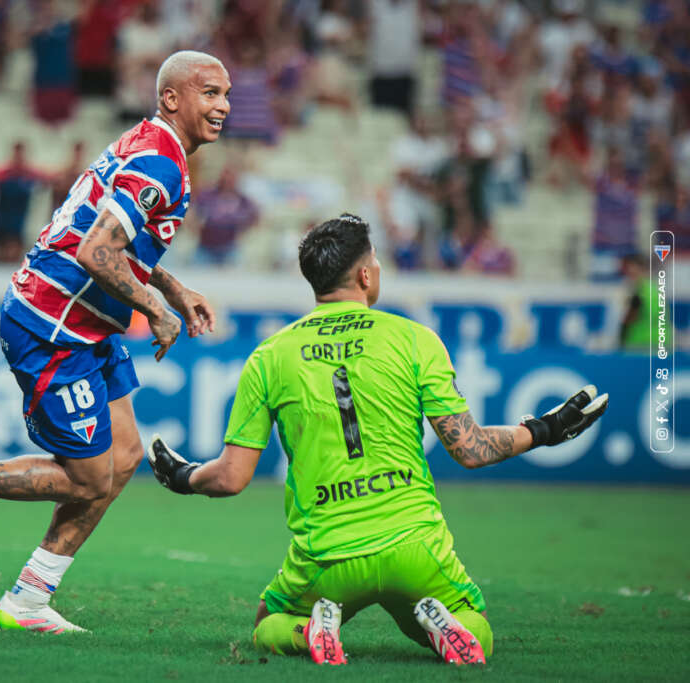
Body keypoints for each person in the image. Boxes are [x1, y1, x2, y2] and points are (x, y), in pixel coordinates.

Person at [0, 51, 231, 633]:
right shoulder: (160, 161)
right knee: (87, 477)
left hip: (86, 324)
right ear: (172, 98)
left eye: (226, 94)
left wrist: (174, 287)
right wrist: (155, 309)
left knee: (125, 457)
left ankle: (29, 599)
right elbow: (95, 252)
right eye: (210, 93)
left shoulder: (153, 147)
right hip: (52, 325)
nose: (224, 106)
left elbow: (113, 238)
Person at [147, 214, 608, 666]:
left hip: (329, 556)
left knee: (269, 621)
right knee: (477, 628)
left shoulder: (270, 356)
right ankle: (444, 624)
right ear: (366, 275)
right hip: (414, 546)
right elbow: (470, 448)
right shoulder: (413, 339)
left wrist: (185, 476)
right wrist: (543, 429)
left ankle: (310, 631)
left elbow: (230, 478)